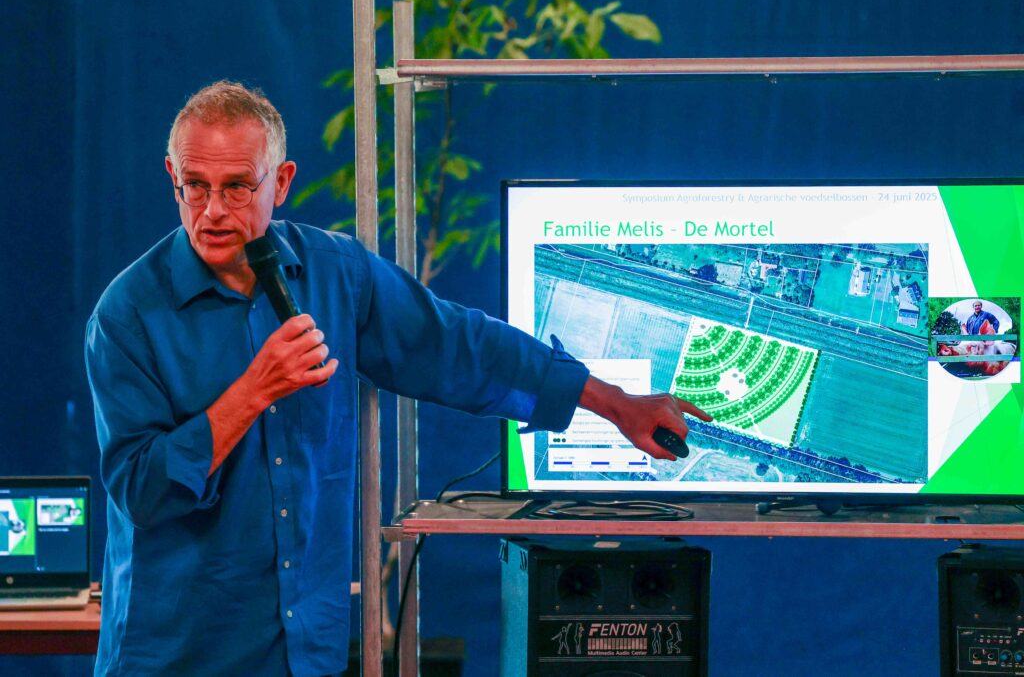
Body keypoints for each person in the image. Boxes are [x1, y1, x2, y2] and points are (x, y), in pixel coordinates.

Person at [85, 80, 709, 676]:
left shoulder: (336, 274)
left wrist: (614, 403)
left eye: (238, 188)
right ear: (172, 176)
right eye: (195, 186)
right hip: (180, 654)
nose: (214, 211)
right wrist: (254, 391)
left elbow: (458, 345)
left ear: (282, 181)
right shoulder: (127, 315)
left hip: (303, 650)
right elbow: (141, 490)